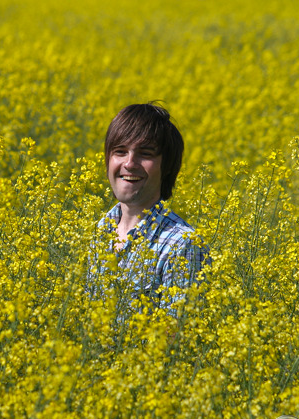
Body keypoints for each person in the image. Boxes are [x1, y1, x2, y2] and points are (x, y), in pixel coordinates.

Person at [87, 103, 208, 317]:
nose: (130, 163)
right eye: (120, 152)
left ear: (167, 165)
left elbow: (179, 341)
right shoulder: (99, 231)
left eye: (145, 154)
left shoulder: (183, 245)